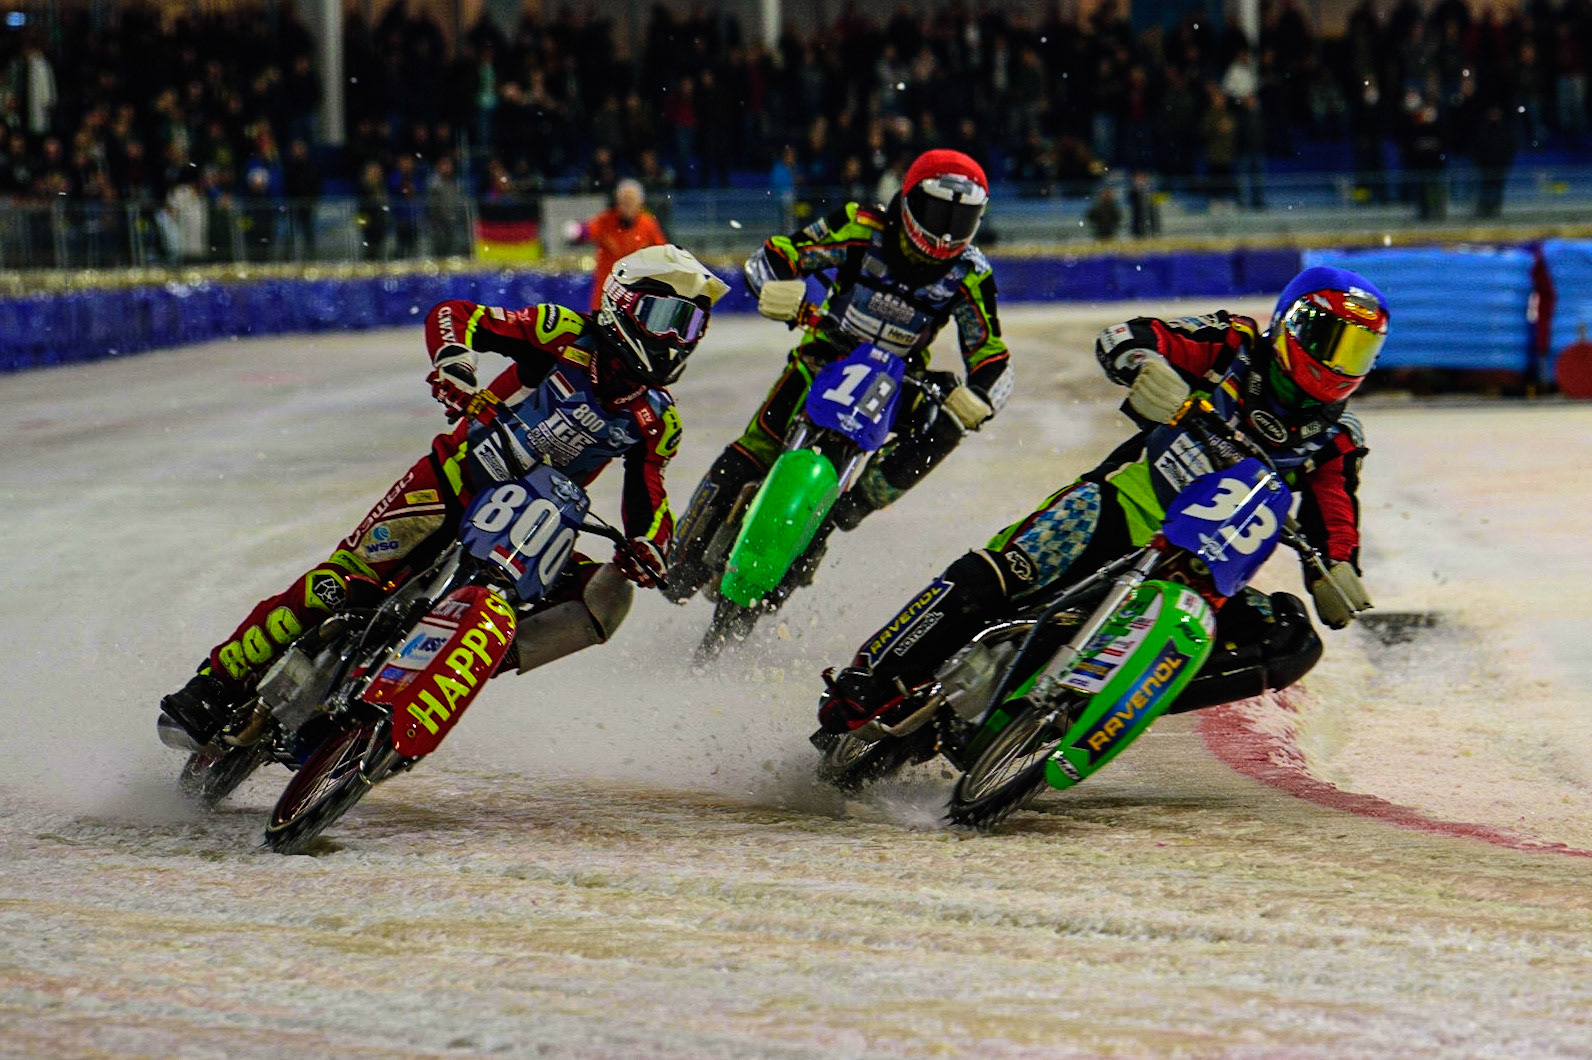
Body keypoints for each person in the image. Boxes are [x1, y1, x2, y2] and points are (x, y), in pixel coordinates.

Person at [159, 245, 729, 746]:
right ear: (624, 303)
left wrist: (649, 547)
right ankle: (215, 682)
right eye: (667, 317)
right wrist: (455, 365)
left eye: (693, 326)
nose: (679, 340)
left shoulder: (656, 419)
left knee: (608, 601)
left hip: (532, 528)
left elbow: (648, 500)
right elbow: (457, 315)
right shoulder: (562, 332)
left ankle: (463, 665)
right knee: (343, 581)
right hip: (453, 482)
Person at [818, 266, 1387, 733]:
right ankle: (868, 676)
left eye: (1359, 351)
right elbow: (1125, 338)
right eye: (1331, 341)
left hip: (1207, 572)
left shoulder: (1337, 441)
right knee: (1013, 568)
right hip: (1124, 502)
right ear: (1292, 324)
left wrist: (1337, 571)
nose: (1340, 364)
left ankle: (1107, 706)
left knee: (1291, 642)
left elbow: (1336, 518)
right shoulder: (1233, 343)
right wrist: (1147, 367)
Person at [665, 149, 1014, 605]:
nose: (946, 229)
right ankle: (685, 555)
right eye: (937, 211)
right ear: (906, 201)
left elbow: (990, 351)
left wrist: (982, 397)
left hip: (896, 384)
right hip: (825, 354)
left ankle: (848, 508)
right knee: (756, 448)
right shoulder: (861, 227)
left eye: (961, 217)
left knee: (944, 424)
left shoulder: (970, 273)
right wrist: (776, 287)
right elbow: (775, 256)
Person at [565, 179, 669, 311]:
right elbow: (589, 230)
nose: (627, 206)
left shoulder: (648, 224)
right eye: (623, 201)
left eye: (631, 201)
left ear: (640, 203)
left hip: (636, 295)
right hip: (606, 293)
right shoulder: (606, 221)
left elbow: (662, 251)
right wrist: (578, 231)